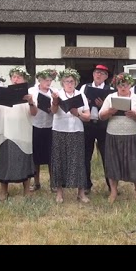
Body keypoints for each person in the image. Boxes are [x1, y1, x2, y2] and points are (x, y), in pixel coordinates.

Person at [99, 72, 136, 204]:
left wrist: (135, 114)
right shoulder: (110, 97)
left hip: (132, 135)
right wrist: (110, 112)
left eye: (126, 85)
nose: (123, 88)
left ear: (130, 85)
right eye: (120, 85)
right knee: (113, 163)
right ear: (116, 86)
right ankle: (113, 192)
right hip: (114, 134)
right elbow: (101, 116)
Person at [0, 66, 36, 202]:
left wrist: (30, 102)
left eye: (19, 77)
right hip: (7, 131)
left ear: (24, 80)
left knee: (24, 160)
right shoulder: (3, 93)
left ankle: (27, 190)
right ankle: (3, 191)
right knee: (6, 160)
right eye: (14, 77)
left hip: (23, 131)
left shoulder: (29, 93)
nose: (16, 79)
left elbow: (34, 113)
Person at [49, 68, 91, 203]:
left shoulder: (81, 95)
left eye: (72, 81)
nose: (69, 84)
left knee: (78, 161)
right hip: (59, 130)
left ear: (76, 82)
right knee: (59, 160)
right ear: (62, 83)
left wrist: (77, 113)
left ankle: (81, 192)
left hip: (76, 131)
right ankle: (59, 192)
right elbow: (53, 111)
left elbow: (88, 116)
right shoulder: (57, 94)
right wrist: (55, 102)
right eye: (66, 81)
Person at [79, 64, 113, 194]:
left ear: (106, 76)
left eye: (101, 73)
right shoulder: (84, 87)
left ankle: (110, 185)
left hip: (103, 125)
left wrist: (102, 105)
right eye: (96, 72)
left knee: (106, 155)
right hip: (88, 125)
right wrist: (85, 102)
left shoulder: (110, 89)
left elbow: (112, 108)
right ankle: (86, 184)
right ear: (93, 74)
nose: (98, 75)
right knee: (86, 155)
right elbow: (78, 103)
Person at [29, 68, 58, 192]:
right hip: (35, 125)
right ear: (39, 80)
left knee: (51, 155)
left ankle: (53, 183)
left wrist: (53, 106)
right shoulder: (32, 91)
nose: (48, 82)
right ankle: (36, 183)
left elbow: (57, 109)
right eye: (46, 80)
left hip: (50, 126)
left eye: (50, 80)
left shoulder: (54, 92)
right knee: (36, 155)